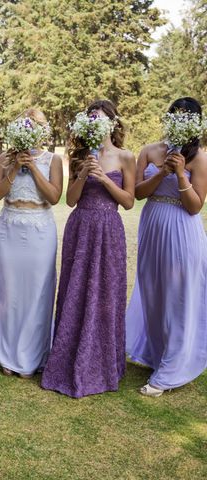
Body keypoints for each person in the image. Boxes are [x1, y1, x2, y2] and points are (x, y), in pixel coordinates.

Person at [41, 100, 135, 398]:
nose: (95, 122)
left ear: (111, 122)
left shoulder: (125, 156)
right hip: (80, 227)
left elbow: (129, 201)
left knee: (106, 293)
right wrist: (83, 174)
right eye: (91, 118)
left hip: (109, 228)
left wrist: (104, 178)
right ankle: (68, 359)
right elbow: (69, 200)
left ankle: (103, 364)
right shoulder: (79, 156)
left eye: (100, 118)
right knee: (76, 290)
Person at [126, 97, 207, 397]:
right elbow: (136, 192)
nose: (181, 122)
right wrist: (162, 172)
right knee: (153, 293)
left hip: (181, 232)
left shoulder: (200, 158)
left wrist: (182, 174)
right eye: (177, 116)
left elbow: (195, 206)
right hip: (152, 227)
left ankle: (171, 370)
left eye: (188, 118)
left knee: (177, 299)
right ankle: (158, 355)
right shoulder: (149, 150)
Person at [0, 108, 63, 378]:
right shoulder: (5, 159)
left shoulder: (53, 159)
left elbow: (54, 197)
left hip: (40, 229)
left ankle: (31, 355)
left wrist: (32, 168)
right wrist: (13, 168)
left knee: (36, 292)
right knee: (8, 291)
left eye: (37, 125)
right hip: (9, 226)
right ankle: (6, 354)